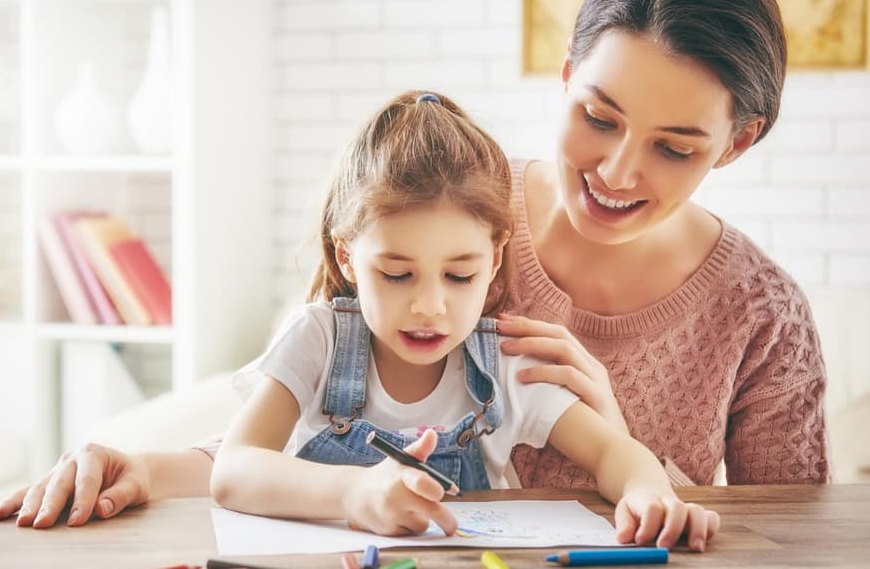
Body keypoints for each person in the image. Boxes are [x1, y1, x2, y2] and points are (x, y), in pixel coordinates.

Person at [0, 0, 827, 531]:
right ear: (567, 73)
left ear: (737, 143)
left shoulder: (764, 318)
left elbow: (794, 538)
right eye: (598, 117)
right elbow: (316, 423)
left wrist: (641, 462)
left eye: (673, 147)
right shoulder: (446, 204)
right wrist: (145, 466)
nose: (615, 169)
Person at [208, 90, 718, 550]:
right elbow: (233, 470)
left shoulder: (503, 365)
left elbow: (612, 452)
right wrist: (355, 492)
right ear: (347, 259)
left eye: (458, 277)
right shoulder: (317, 340)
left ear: (493, 261)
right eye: (396, 274)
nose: (429, 306)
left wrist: (648, 492)